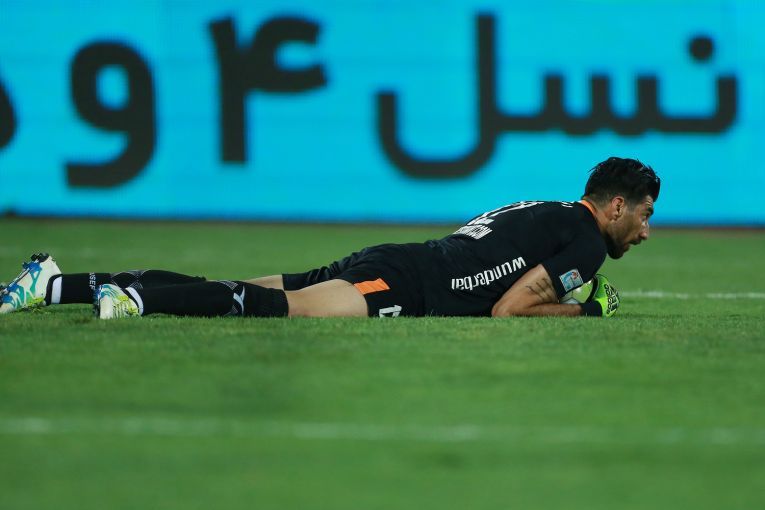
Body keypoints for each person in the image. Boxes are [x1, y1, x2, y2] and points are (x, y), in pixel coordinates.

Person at [0, 156, 659, 320]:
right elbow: (508, 309)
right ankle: (134, 301)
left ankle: (53, 285)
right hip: (408, 282)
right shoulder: (585, 243)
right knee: (273, 307)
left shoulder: (546, 208)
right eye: (644, 215)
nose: (646, 231)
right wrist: (586, 311)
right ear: (615, 206)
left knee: (243, 288)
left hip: (400, 259)